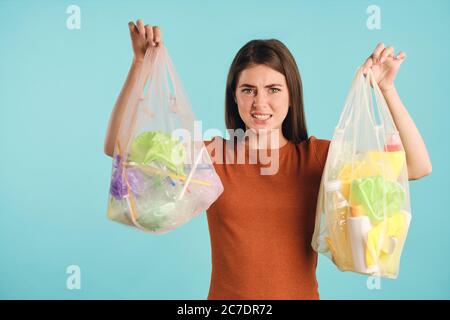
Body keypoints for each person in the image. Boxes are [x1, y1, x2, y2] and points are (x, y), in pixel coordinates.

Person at [104, 19, 432, 300]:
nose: (260, 102)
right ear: (234, 96)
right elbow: (117, 148)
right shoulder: (214, 157)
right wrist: (139, 65)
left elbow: (417, 167)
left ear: (292, 95)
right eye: (248, 89)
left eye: (274, 89)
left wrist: (387, 89)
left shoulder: (317, 158)